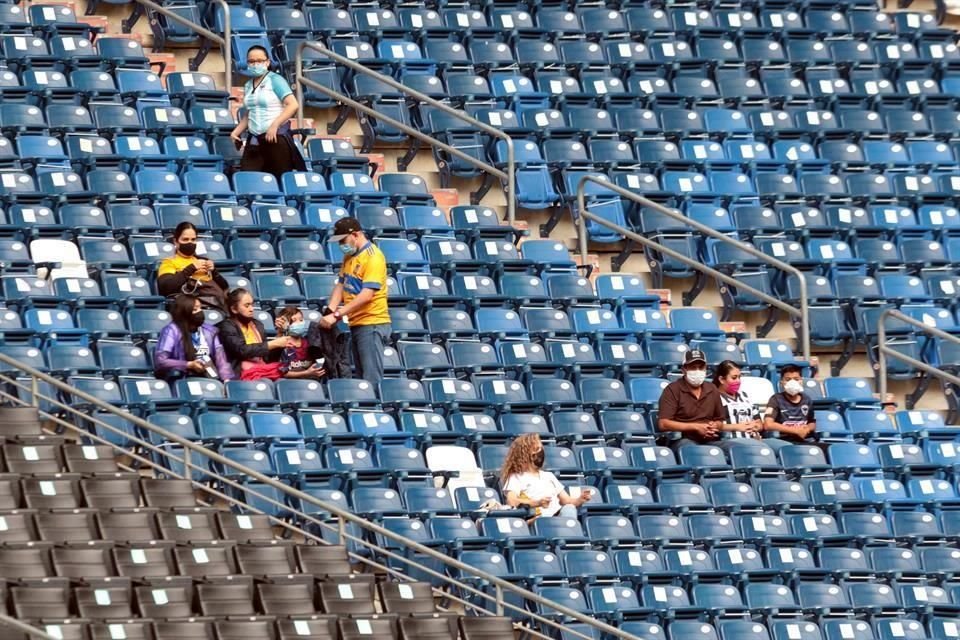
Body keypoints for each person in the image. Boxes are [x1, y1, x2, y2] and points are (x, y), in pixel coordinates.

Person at [321, 217, 391, 384]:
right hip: (357, 324)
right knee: (361, 380)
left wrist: (337, 315)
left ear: (356, 234)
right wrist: (329, 311)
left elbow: (367, 295)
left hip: (372, 323)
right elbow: (341, 285)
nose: (341, 245)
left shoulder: (373, 257)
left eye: (343, 240)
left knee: (370, 380)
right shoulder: (349, 256)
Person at [229, 45, 306, 182]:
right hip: (255, 139)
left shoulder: (275, 80)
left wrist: (274, 125)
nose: (255, 64)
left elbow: (293, 105)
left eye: (259, 60)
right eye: (251, 61)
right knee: (249, 180)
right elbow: (249, 113)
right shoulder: (248, 85)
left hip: (275, 137)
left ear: (267, 62)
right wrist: (236, 132)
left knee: (279, 179)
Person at [500, 434, 592, 520]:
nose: (541, 452)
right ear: (526, 454)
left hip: (556, 516)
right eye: (537, 449)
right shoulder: (516, 477)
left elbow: (566, 501)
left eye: (541, 448)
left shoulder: (548, 476)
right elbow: (511, 501)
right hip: (535, 518)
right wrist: (537, 503)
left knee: (569, 508)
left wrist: (580, 499)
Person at [216, 288, 294, 379]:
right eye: (247, 305)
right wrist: (272, 344)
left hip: (262, 371)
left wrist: (280, 337)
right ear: (234, 309)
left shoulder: (257, 325)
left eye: (252, 304)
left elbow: (266, 358)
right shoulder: (226, 326)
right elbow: (242, 350)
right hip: (239, 374)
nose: (251, 309)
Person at [657, 349, 726, 449]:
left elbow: (720, 420)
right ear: (684, 369)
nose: (697, 371)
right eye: (693, 368)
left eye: (701, 367)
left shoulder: (712, 388)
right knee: (694, 450)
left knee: (737, 448)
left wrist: (714, 426)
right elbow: (663, 423)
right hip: (683, 439)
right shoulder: (672, 389)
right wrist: (696, 427)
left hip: (711, 440)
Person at [154, 294, 233, 381]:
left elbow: (221, 359)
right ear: (184, 312)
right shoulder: (171, 330)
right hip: (181, 377)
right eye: (195, 309)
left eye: (200, 308)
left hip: (207, 376)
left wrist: (226, 380)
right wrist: (189, 364)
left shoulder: (210, 331)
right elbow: (161, 361)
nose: (200, 312)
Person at [157, 221, 230, 312]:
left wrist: (214, 271)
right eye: (185, 239)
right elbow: (166, 287)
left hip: (217, 303)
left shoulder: (203, 260)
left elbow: (224, 287)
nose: (190, 243)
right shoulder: (169, 262)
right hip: (193, 307)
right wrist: (191, 268)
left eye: (193, 239)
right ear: (176, 241)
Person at [763, 364, 817, 448]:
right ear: (782, 382)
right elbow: (768, 424)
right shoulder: (775, 399)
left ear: (801, 381)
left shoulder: (807, 399)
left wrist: (807, 429)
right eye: (788, 379)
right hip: (784, 441)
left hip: (805, 440)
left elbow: (812, 422)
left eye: (796, 379)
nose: (792, 382)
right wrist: (795, 431)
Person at [714, 360, 763, 443]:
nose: (738, 381)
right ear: (722, 379)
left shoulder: (745, 396)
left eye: (739, 377)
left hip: (756, 439)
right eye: (734, 378)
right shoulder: (713, 397)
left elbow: (759, 423)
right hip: (731, 441)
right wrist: (738, 427)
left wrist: (755, 426)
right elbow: (712, 426)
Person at [272, 306, 326, 380]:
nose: (299, 323)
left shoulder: (310, 342)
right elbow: (282, 372)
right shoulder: (280, 344)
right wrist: (306, 373)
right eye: (294, 321)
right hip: (288, 383)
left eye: (301, 320)